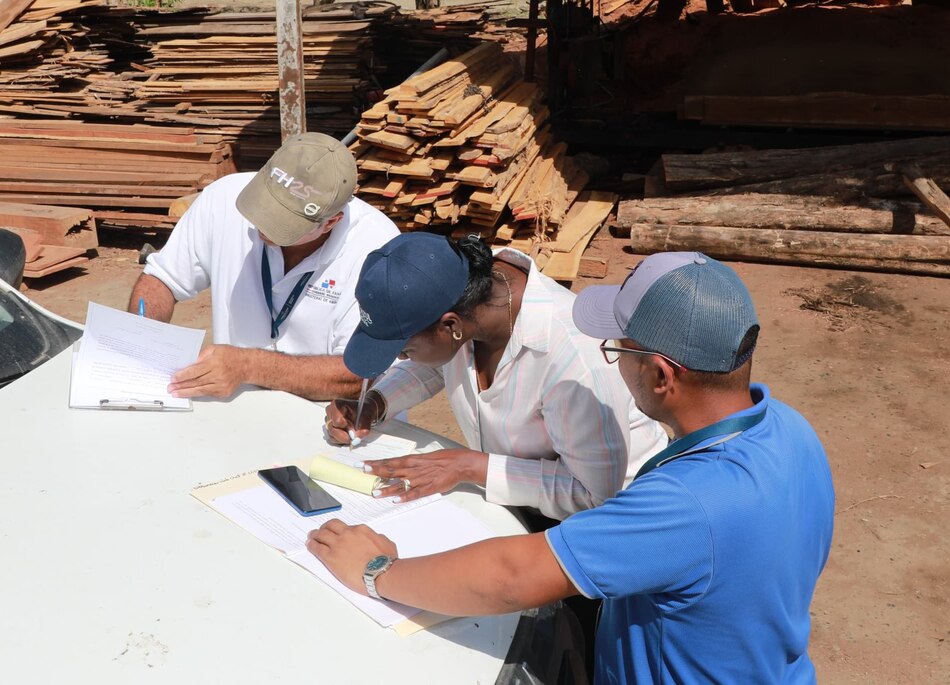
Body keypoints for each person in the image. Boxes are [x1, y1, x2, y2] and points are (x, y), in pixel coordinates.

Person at [309, 252, 836, 684]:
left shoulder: (687, 503)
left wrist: (377, 572)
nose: (609, 362)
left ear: (658, 375)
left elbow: (513, 579)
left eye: (617, 350)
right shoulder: (790, 431)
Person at [325, 232, 668, 522]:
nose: (400, 358)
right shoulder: (467, 291)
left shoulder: (574, 359)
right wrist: (376, 401)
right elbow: (436, 362)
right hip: (518, 505)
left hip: (608, 523)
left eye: (405, 349)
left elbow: (595, 494)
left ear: (451, 326)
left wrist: (472, 467)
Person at [128, 132, 399, 400]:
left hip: (330, 422)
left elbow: (359, 374)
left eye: (283, 223)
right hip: (239, 412)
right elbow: (161, 281)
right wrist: (141, 336)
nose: (263, 225)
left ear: (331, 222)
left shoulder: (378, 250)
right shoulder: (221, 198)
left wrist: (249, 366)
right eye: (263, 206)